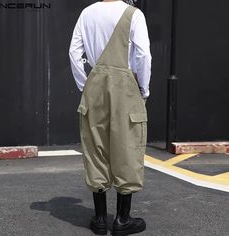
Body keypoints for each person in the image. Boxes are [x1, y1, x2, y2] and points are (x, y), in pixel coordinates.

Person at [69, 0, 151, 235]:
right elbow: (143, 55)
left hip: (94, 87)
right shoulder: (133, 14)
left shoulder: (87, 13)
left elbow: (74, 52)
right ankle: (122, 220)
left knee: (96, 148)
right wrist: (143, 90)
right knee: (126, 146)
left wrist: (86, 85)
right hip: (124, 88)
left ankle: (101, 219)